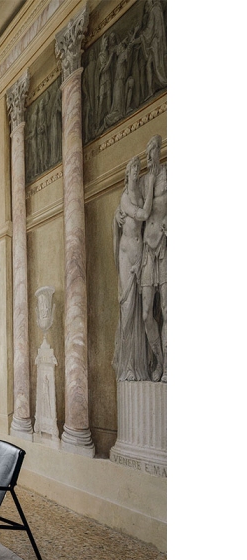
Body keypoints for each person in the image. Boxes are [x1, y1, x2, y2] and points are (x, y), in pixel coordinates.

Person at [112, 155, 152, 382]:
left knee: (141, 310)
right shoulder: (125, 198)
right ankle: (126, 363)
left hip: (140, 256)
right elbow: (144, 215)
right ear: (127, 174)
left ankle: (137, 365)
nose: (136, 172)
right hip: (126, 256)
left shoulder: (141, 194)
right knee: (127, 307)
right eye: (133, 169)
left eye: (138, 168)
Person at [140, 135, 166, 381]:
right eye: (147, 154)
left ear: (159, 152)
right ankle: (158, 359)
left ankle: (168, 366)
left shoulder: (168, 176)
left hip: (166, 247)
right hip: (148, 251)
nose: (149, 158)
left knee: (168, 309)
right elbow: (136, 210)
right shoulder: (144, 182)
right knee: (147, 313)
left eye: (152, 152)